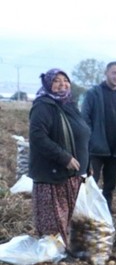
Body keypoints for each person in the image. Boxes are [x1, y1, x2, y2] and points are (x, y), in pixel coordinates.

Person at [28, 68, 91, 248]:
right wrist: (64, 157)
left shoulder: (69, 104)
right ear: (48, 84)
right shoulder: (43, 106)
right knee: (53, 220)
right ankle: (51, 256)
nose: (62, 84)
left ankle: (63, 251)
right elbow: (38, 137)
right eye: (56, 80)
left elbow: (83, 134)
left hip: (72, 174)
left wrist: (89, 162)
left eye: (65, 80)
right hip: (51, 175)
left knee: (67, 217)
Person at [80, 61, 116, 213]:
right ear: (106, 73)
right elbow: (85, 119)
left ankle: (105, 217)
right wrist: (90, 140)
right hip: (96, 149)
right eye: (114, 73)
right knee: (91, 185)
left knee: (110, 188)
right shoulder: (93, 94)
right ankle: (87, 216)